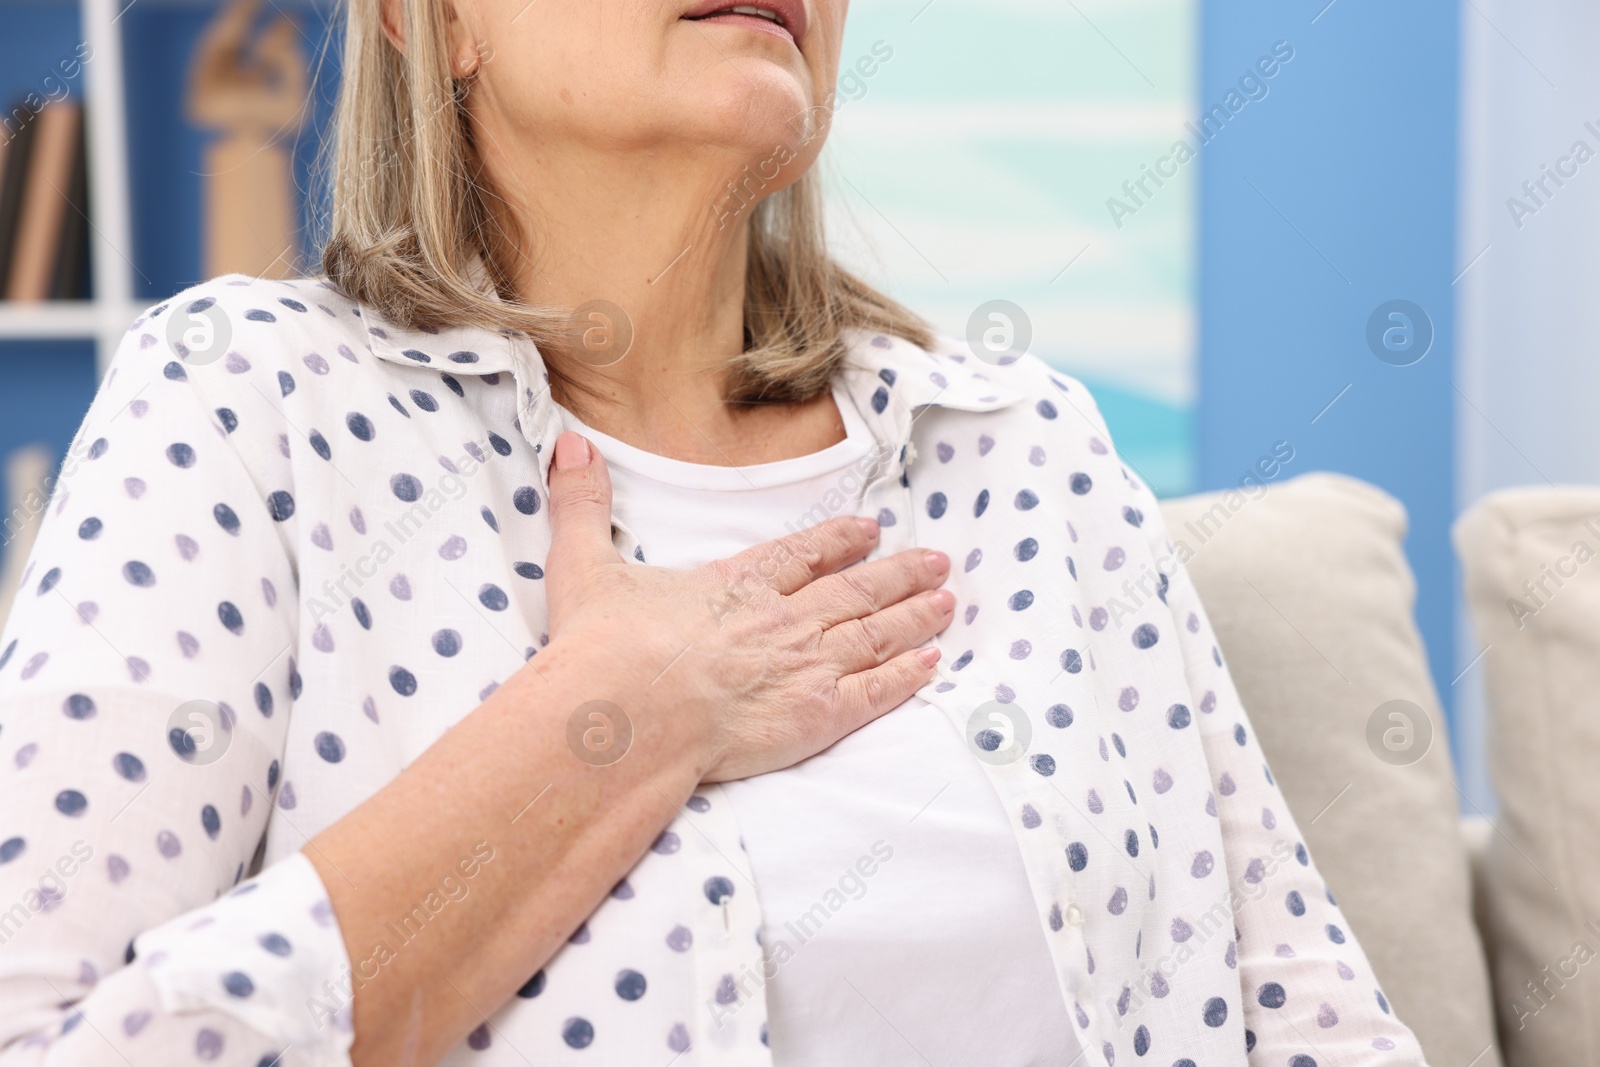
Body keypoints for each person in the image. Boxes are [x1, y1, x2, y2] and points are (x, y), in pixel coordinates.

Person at [0, 0, 1429, 1064]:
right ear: (431, 24)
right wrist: (617, 722)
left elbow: (1308, 1015)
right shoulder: (249, 399)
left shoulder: (1023, 449)